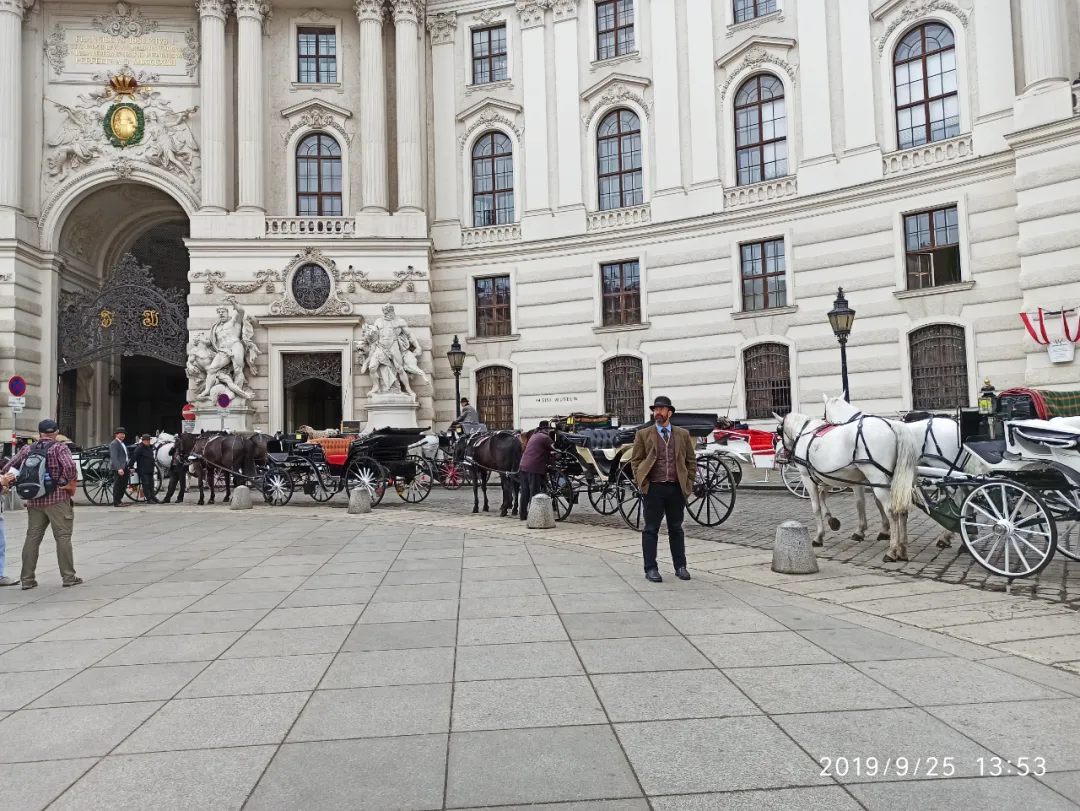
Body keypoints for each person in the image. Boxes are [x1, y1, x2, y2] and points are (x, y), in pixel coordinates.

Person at [0, 419, 81, 590]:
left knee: (32, 538)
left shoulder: (27, 449)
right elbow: (70, 468)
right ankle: (68, 576)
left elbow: (8, 467)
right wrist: (66, 483)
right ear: (56, 432)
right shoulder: (59, 447)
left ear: (40, 433)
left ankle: (27, 579)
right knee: (63, 538)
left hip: (34, 500)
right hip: (57, 499)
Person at [630, 396, 697, 583]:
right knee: (651, 529)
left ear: (670, 413)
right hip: (654, 488)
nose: (657, 413)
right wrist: (641, 481)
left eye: (661, 409)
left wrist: (688, 483)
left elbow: (691, 461)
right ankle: (650, 568)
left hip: (676, 488)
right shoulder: (643, 434)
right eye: (655, 409)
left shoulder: (682, 434)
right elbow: (635, 461)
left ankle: (680, 566)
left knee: (676, 528)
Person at [518, 421, 554, 522]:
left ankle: (522, 514)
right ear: (547, 429)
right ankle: (533, 515)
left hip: (524, 465)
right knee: (534, 491)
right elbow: (555, 449)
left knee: (525, 491)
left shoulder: (534, 435)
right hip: (534, 467)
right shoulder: (545, 437)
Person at [131, 434, 159, 504]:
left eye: (149, 440)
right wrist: (130, 466)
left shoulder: (150, 448)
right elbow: (134, 457)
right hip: (143, 469)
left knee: (151, 484)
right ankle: (149, 499)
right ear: (143, 441)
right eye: (147, 440)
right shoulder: (139, 448)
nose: (148, 442)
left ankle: (153, 497)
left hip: (150, 469)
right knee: (146, 484)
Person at [109, 427, 129, 507]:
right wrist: (119, 468)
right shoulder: (114, 444)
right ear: (116, 435)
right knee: (118, 484)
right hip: (119, 467)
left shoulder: (122, 443)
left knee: (123, 484)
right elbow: (114, 457)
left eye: (123, 434)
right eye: (121, 434)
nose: (123, 435)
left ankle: (119, 500)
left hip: (125, 466)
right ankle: (116, 501)